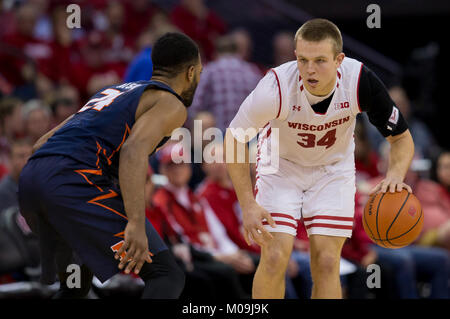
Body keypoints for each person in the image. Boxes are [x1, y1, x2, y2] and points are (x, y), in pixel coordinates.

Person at [224, 18, 415, 299]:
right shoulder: (275, 87)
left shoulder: (360, 81)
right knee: (276, 256)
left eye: (320, 60)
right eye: (303, 60)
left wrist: (395, 177)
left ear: (339, 60)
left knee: (327, 262)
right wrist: (248, 204)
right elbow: (234, 138)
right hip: (281, 168)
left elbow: (401, 137)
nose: (309, 69)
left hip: (332, 170)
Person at [17, 32, 203, 299]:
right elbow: (133, 151)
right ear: (191, 72)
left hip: (33, 181)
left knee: (75, 286)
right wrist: (136, 223)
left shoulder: (112, 91)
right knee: (165, 274)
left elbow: (40, 144)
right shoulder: (170, 102)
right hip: (71, 181)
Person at [0, 139, 32, 214]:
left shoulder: (38, 183)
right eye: (21, 156)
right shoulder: (4, 189)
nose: (26, 160)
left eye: (29, 155)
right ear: (11, 159)